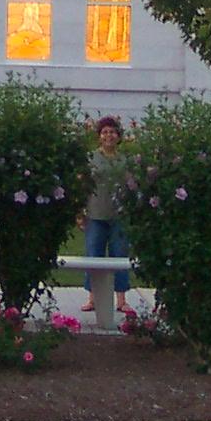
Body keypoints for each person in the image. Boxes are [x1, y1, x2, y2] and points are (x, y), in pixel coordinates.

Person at [80, 114, 130, 314]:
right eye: (105, 132)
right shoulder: (92, 158)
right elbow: (83, 184)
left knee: (119, 256)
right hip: (95, 213)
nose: (109, 135)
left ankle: (121, 299)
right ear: (99, 136)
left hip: (118, 214)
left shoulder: (124, 160)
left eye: (112, 132)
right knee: (94, 255)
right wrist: (80, 211)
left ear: (118, 136)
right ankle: (92, 298)